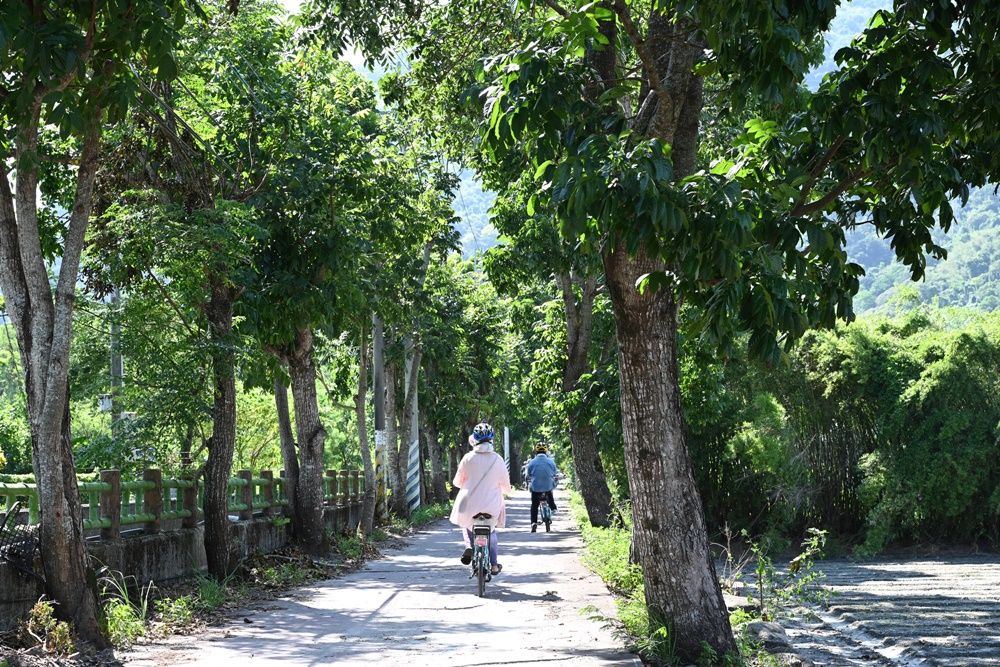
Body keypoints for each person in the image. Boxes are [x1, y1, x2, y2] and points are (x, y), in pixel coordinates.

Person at [449, 422, 511, 575]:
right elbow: (506, 487)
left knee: (467, 524)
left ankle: (470, 545)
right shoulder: (498, 459)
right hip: (491, 506)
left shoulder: (467, 458)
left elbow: (457, 482)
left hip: (469, 505)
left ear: (474, 439)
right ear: (492, 440)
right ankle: (495, 566)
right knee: (492, 531)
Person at [526, 443, 559, 533]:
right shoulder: (551, 461)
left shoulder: (532, 462)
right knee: (549, 492)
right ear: (546, 451)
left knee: (534, 505)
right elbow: (555, 472)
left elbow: (529, 474)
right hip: (548, 486)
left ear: (536, 452)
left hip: (536, 487)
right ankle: (553, 507)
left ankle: (533, 522)